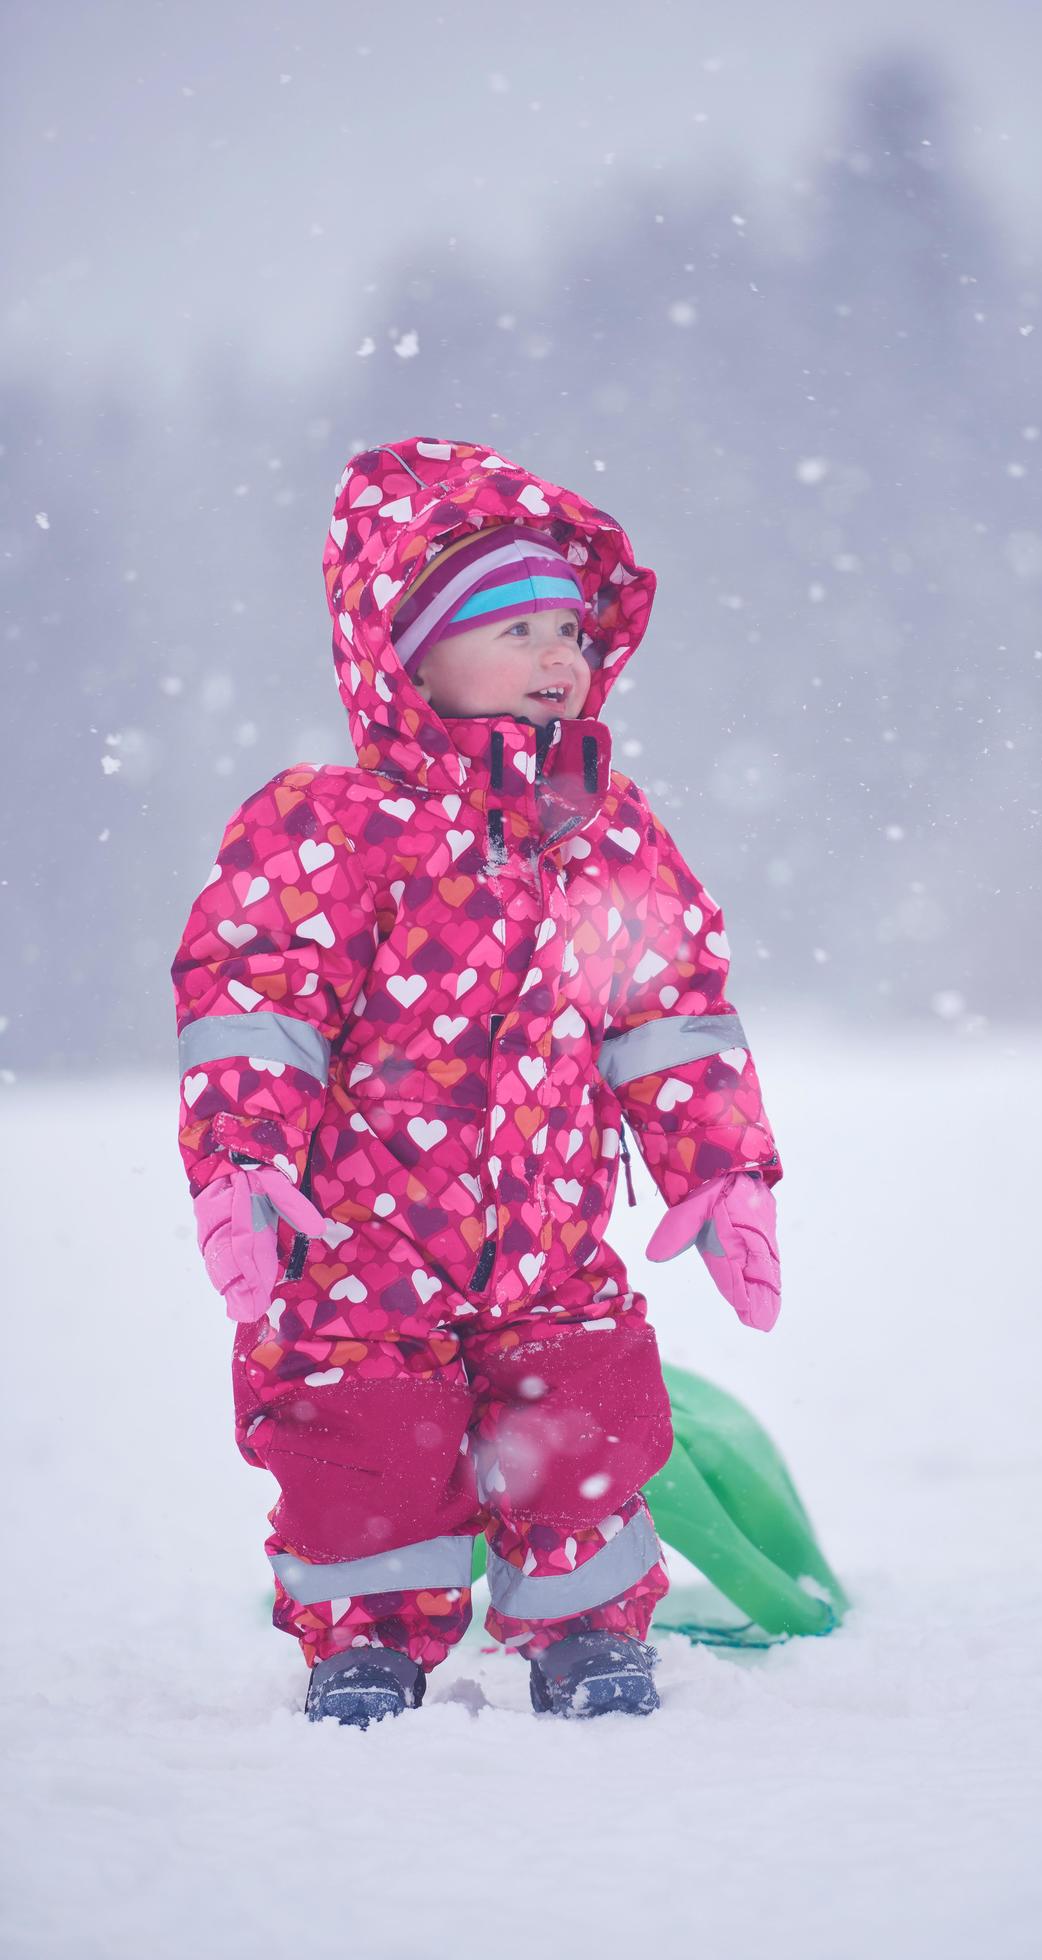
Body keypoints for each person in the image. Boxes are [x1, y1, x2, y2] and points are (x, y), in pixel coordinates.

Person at [172, 437, 782, 1727]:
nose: (560, 656)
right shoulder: (334, 828)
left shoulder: (603, 828)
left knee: (588, 1424)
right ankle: (369, 1645)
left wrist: (720, 1166)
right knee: (359, 1439)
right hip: (361, 1242)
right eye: (516, 629)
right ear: (408, 656)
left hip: (550, 1234)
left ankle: (585, 1634)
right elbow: (253, 1001)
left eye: (569, 627)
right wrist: (242, 1158)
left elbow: (667, 1012)